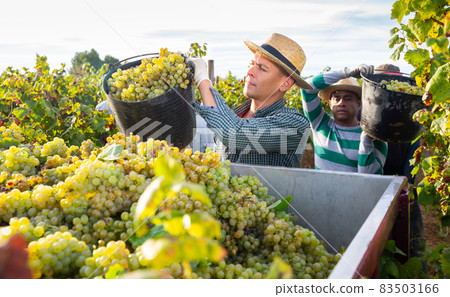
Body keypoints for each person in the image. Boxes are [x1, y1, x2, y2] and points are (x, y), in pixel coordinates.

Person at [188, 33, 311, 168]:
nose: (250, 71)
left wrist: (202, 78)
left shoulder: (295, 124)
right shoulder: (233, 115)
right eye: (252, 64)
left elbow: (232, 133)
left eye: (262, 68)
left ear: (285, 84)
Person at [375, 63, 426, 270]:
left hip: (402, 183)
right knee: (378, 242)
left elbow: (413, 154)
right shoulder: (369, 113)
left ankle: (416, 275)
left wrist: (406, 186)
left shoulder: (410, 116)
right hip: (375, 185)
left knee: (412, 239)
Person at [300, 66, 388, 174]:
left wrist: (366, 141)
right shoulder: (320, 123)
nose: (341, 103)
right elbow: (306, 88)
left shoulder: (375, 136)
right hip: (320, 191)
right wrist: (345, 72)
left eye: (348, 98)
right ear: (330, 103)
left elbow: (369, 178)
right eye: (336, 98)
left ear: (359, 104)